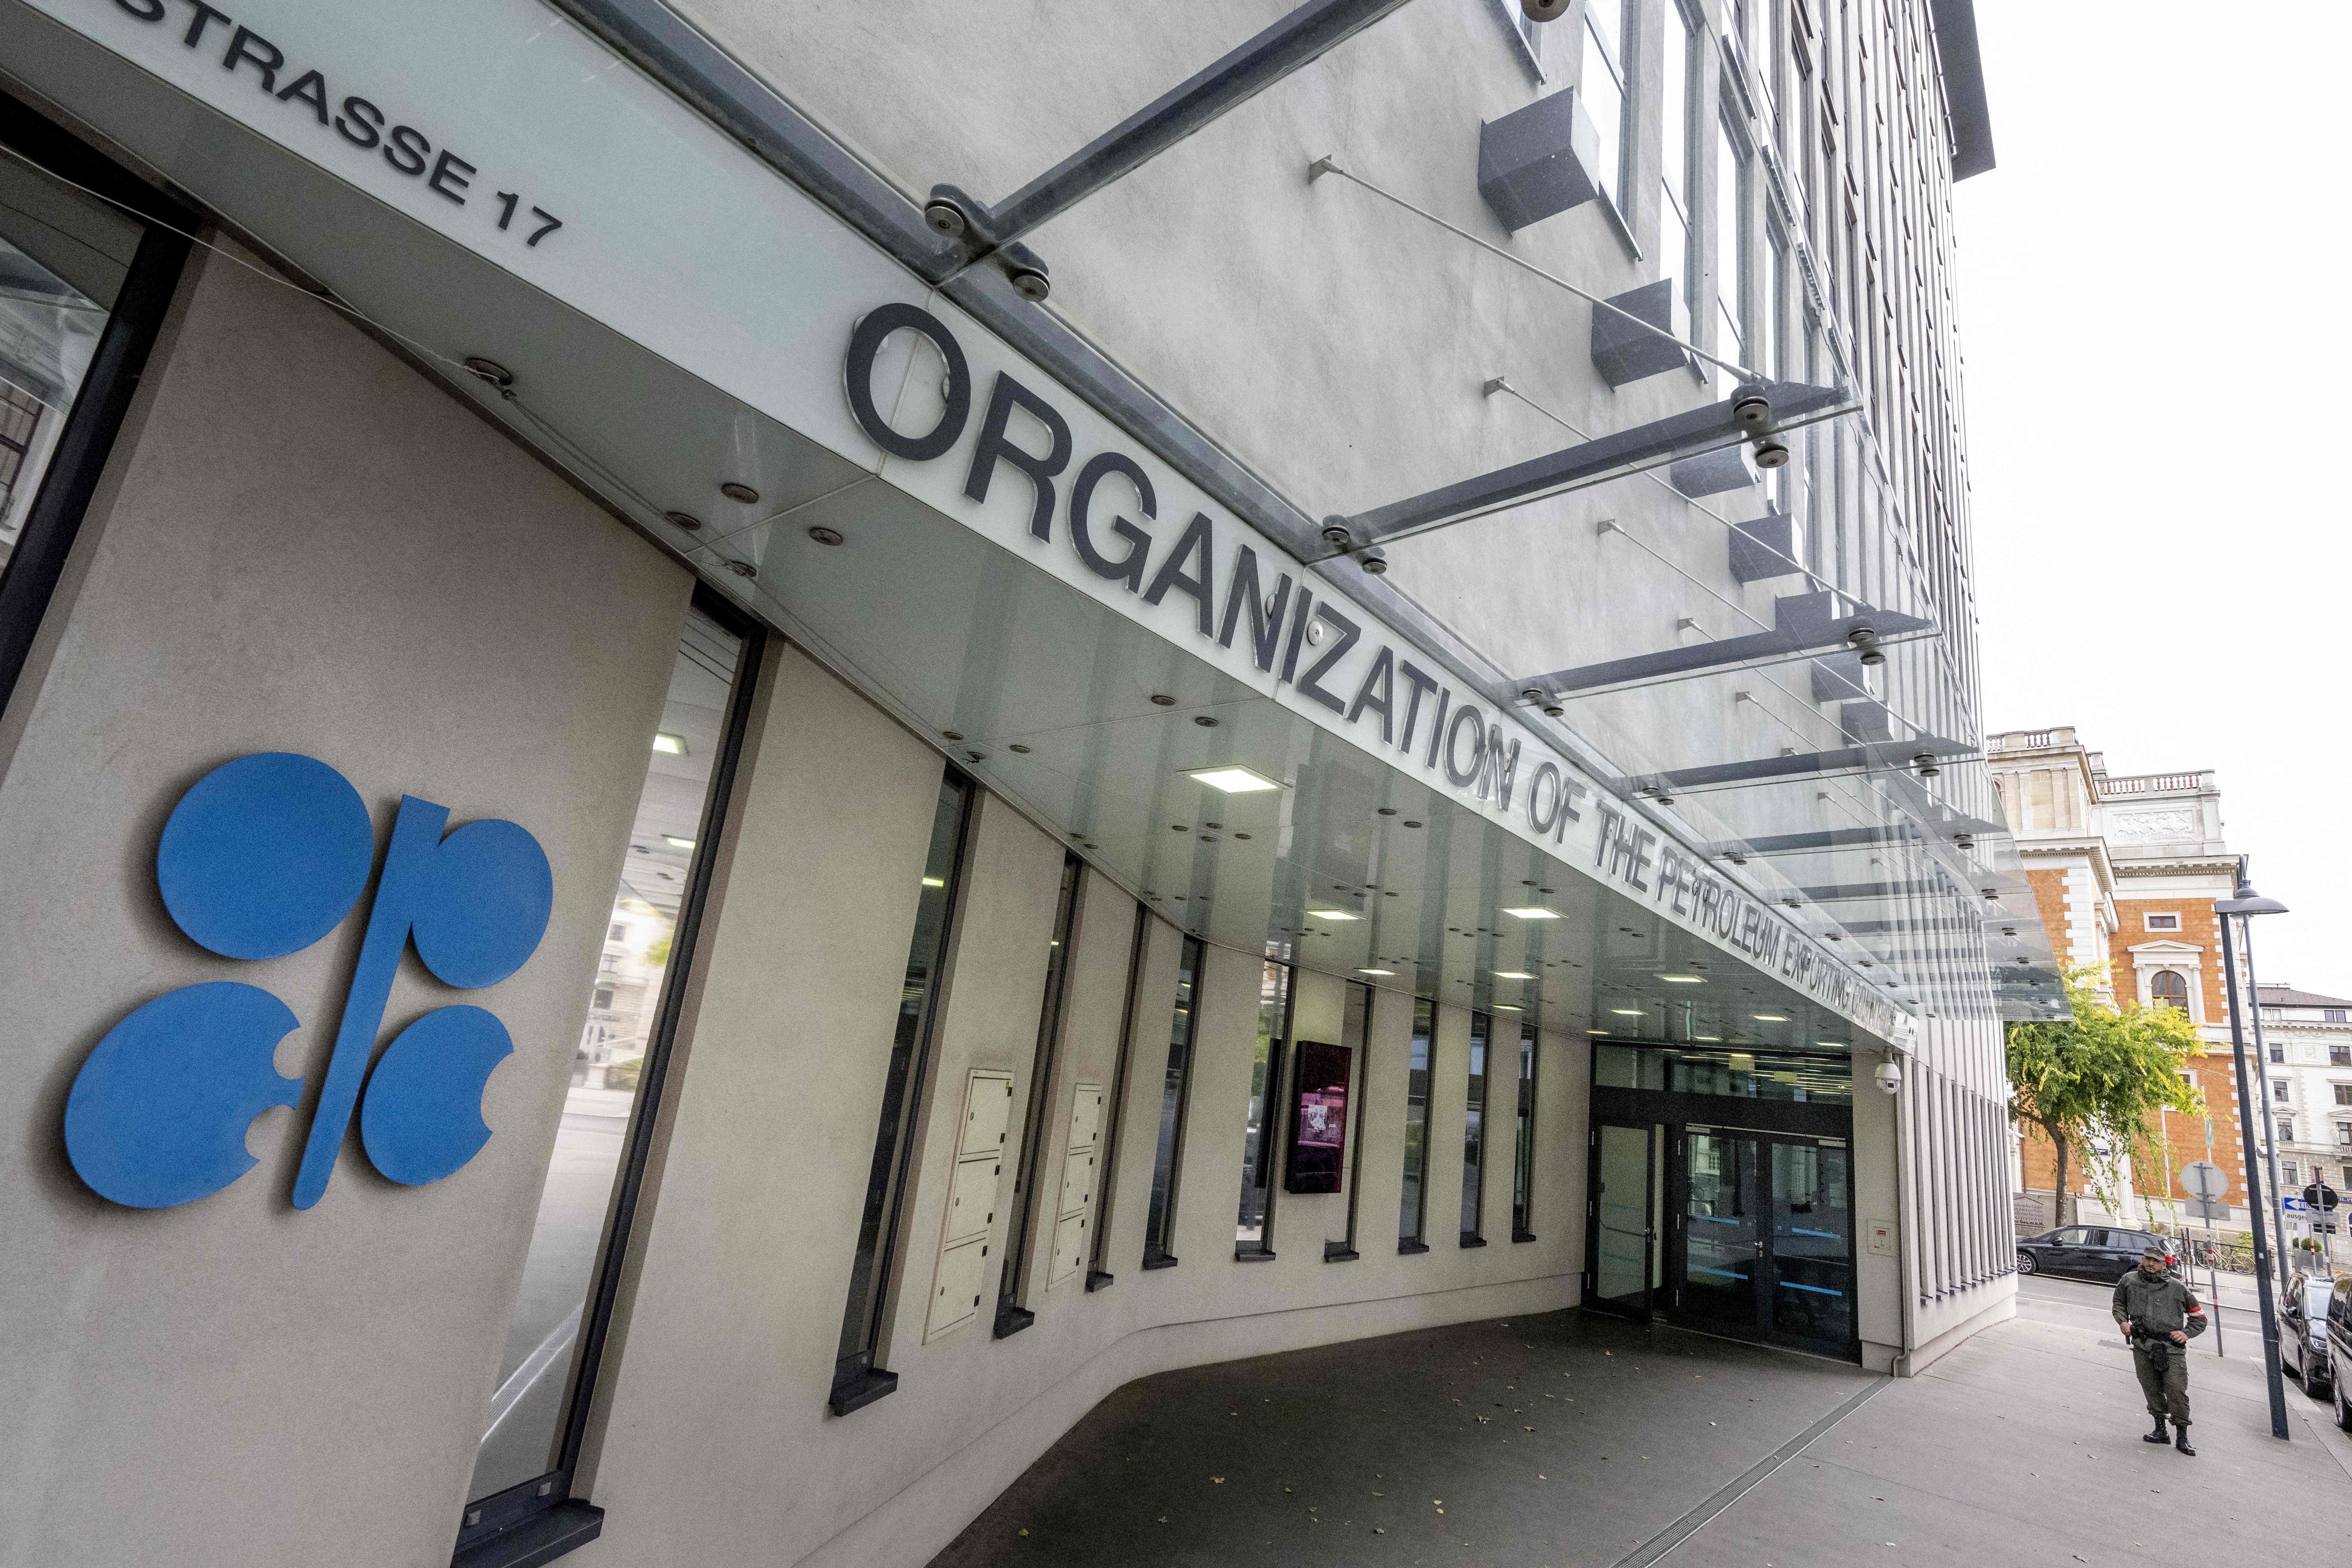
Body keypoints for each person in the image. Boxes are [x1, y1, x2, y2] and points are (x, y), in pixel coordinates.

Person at [2112, 1245, 2202, 1455]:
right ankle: (2161, 1431)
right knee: (2151, 1387)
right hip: (2143, 1345)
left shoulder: (2178, 1288)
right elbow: (2119, 1304)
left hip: (2171, 1348)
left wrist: (2187, 1333)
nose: (2150, 1264)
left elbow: (2200, 1318)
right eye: (2147, 1259)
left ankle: (2182, 1436)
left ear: (2164, 1264)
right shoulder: (2129, 1280)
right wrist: (2122, 1321)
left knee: (2176, 1390)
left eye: (2156, 1261)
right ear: (2143, 1260)